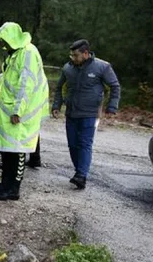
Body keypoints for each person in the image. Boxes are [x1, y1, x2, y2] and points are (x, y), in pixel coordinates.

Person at [0, 22, 49, 201]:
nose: (2, 44)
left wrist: (18, 111)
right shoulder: (15, 54)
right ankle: (5, 184)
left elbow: (26, 83)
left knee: (18, 149)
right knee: (7, 149)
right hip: (12, 108)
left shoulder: (28, 53)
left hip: (23, 111)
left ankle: (14, 189)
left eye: (4, 39)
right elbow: (6, 78)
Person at [52, 39, 121, 189]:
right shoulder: (67, 68)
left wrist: (112, 107)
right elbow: (59, 88)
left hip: (90, 113)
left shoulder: (102, 67)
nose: (73, 58)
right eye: (71, 55)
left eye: (75, 55)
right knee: (72, 145)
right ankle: (79, 172)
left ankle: (81, 175)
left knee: (84, 143)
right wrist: (56, 105)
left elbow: (115, 86)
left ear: (85, 54)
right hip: (71, 113)